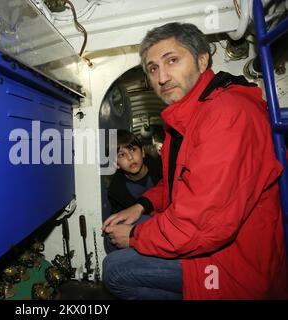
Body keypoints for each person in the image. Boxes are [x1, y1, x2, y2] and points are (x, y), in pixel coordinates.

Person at [102, 22, 288, 299]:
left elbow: (201, 225)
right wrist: (140, 207)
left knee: (114, 270)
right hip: (209, 236)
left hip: (237, 262)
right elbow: (176, 187)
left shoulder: (226, 116)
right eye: (153, 68)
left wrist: (135, 237)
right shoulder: (185, 121)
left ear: (202, 60)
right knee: (113, 236)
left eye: (172, 61)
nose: (162, 77)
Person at [104, 130, 162, 253]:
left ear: (143, 152)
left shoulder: (160, 168)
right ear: (116, 164)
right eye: (121, 155)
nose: (130, 157)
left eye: (133, 150)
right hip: (140, 231)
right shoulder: (116, 191)